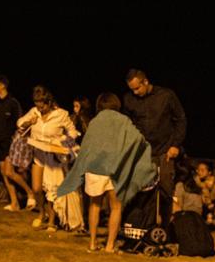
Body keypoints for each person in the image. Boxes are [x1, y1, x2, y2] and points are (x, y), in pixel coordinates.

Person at [57, 92, 157, 252]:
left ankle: (92, 242)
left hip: (95, 169)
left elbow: (87, 146)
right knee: (116, 207)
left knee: (94, 205)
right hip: (115, 168)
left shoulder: (95, 122)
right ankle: (109, 246)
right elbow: (138, 140)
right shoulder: (123, 120)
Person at [17, 85, 80, 232]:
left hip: (54, 156)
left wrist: (61, 141)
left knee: (52, 189)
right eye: (37, 104)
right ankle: (42, 212)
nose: (40, 108)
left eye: (42, 105)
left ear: (49, 102)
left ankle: (52, 220)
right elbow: (19, 123)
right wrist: (28, 122)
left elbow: (73, 132)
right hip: (38, 153)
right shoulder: (34, 112)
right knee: (37, 188)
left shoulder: (61, 114)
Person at [122, 68, 186, 196]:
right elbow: (127, 125)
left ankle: (166, 216)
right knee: (144, 194)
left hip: (164, 151)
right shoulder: (129, 99)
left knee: (165, 191)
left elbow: (181, 120)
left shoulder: (166, 95)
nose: (134, 92)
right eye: (132, 89)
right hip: (143, 152)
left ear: (145, 81)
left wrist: (175, 145)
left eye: (137, 88)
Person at [0, 76, 34, 212]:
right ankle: (15, 203)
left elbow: (20, 124)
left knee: (9, 172)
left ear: (2, 85)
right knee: (4, 173)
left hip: (11, 144)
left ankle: (30, 193)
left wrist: (19, 144)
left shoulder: (13, 103)